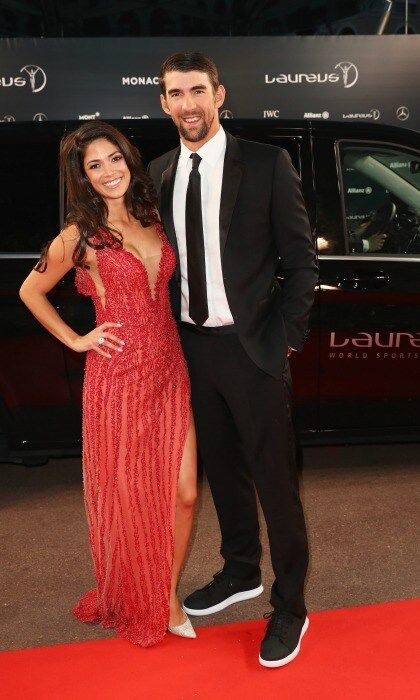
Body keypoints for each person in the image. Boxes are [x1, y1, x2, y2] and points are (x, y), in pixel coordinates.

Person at [148, 52, 318, 667]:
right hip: (193, 349)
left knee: (276, 483)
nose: (188, 103)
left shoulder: (268, 165)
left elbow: (301, 264)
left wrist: (285, 338)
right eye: (175, 93)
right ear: (163, 103)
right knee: (223, 470)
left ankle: (291, 607)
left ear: (220, 94)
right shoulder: (159, 171)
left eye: (198, 90)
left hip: (253, 350)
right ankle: (241, 568)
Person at [19, 121, 197, 646]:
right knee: (131, 493)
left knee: (184, 493)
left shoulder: (154, 218)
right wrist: (76, 339)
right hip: (117, 376)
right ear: (83, 177)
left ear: (129, 161)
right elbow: (31, 291)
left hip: (169, 365)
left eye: (114, 159)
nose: (108, 171)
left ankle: (164, 594)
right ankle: (142, 594)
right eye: (94, 165)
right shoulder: (79, 236)